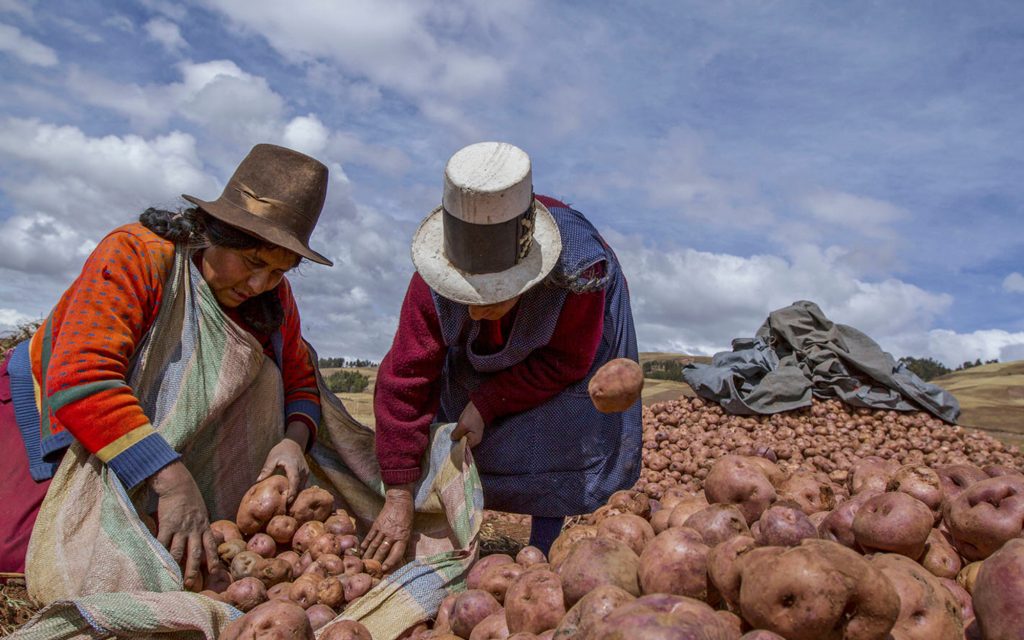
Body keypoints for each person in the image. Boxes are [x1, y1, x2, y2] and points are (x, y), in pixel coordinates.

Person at [0, 143, 332, 589]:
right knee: (35, 553)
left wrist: (293, 441)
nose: (259, 284)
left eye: (278, 271)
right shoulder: (137, 254)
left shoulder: (274, 300)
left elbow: (300, 381)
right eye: (252, 262)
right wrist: (172, 481)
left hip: (170, 447)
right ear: (214, 232)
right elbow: (81, 378)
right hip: (60, 423)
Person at [364, 141, 642, 562]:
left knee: (565, 414)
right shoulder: (430, 287)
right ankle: (456, 525)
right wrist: (399, 493)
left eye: (495, 292)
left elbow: (566, 362)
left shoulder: (580, 275)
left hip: (574, 337)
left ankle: (545, 544)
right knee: (454, 411)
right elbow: (406, 379)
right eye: (468, 294)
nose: (478, 309)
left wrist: (489, 403)